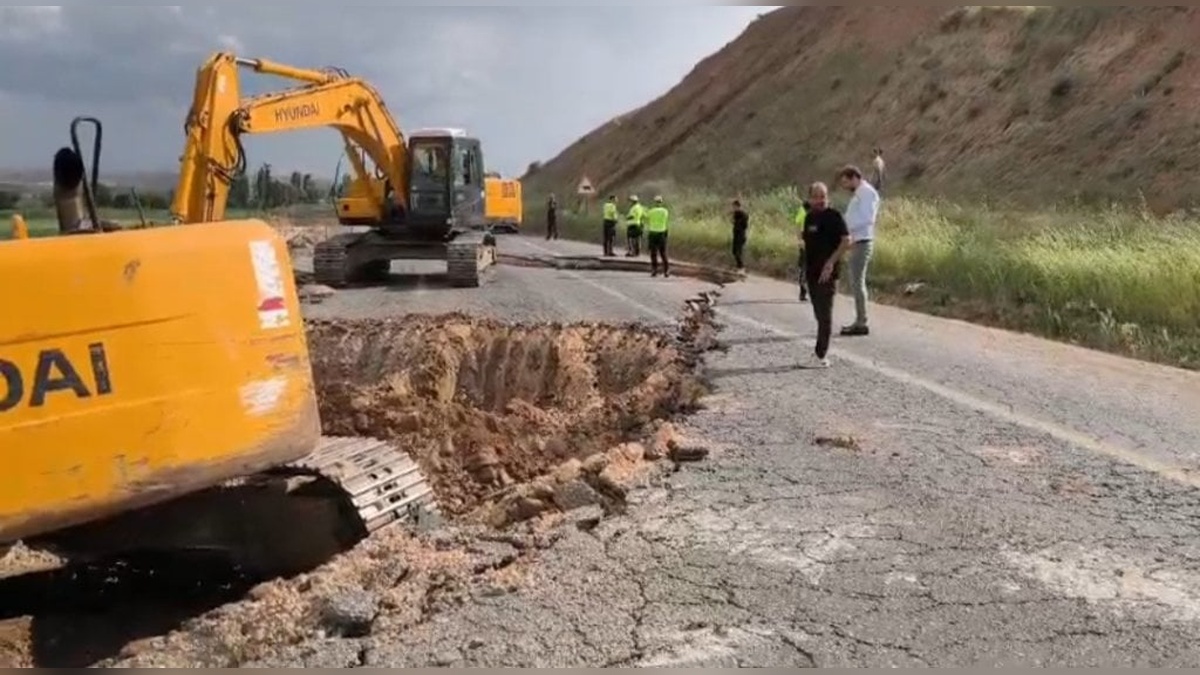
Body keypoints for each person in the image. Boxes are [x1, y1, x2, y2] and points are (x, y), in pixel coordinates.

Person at [800, 182, 851, 369]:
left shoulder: (834, 216)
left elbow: (846, 241)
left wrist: (831, 262)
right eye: (816, 196)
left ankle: (820, 354)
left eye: (823, 196)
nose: (820, 200)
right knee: (818, 313)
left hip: (827, 273)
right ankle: (820, 352)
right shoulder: (809, 217)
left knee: (825, 315)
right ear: (810, 198)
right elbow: (808, 244)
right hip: (812, 272)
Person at [838, 165, 880, 337]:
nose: (845, 186)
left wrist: (847, 227)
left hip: (862, 241)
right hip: (856, 240)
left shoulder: (867, 193)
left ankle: (861, 321)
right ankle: (860, 319)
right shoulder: (860, 194)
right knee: (855, 282)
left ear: (854, 177)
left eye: (846, 182)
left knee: (858, 281)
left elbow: (867, 218)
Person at [645, 196, 671, 278]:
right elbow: (666, 221)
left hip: (653, 233)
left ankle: (654, 270)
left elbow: (647, 218)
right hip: (662, 233)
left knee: (653, 253)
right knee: (663, 253)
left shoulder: (651, 211)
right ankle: (666, 271)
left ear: (654, 202)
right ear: (661, 202)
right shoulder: (665, 211)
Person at [794, 198, 810, 302]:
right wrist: (800, 240)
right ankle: (803, 292)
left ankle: (804, 292)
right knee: (804, 268)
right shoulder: (803, 212)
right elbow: (798, 226)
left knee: (805, 268)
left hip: (807, 239)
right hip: (806, 239)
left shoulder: (803, 211)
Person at [731, 200, 749, 275]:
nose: (733, 208)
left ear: (738, 206)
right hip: (735, 235)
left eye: (734, 207)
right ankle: (738, 266)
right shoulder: (735, 214)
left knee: (738, 252)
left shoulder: (743, 214)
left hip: (740, 236)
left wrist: (737, 224)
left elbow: (745, 226)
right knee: (734, 251)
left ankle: (742, 267)